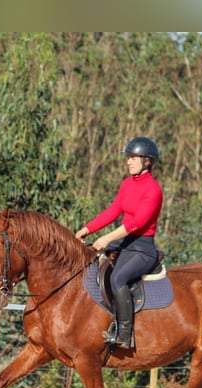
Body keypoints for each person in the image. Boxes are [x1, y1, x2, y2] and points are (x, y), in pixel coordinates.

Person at [75, 136, 163, 349]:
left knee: (118, 279)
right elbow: (113, 211)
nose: (128, 161)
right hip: (125, 242)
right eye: (129, 157)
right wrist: (86, 230)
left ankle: (124, 334)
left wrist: (106, 238)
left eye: (133, 157)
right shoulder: (127, 184)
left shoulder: (153, 190)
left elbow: (137, 222)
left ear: (147, 161)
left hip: (142, 247)